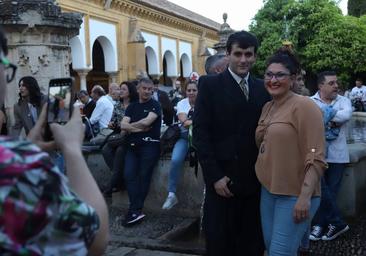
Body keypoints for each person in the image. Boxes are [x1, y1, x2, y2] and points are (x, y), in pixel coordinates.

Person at [0, 26, 108, 255]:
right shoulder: (19, 164)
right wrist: (72, 149)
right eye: (7, 71)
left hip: (43, 145)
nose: (18, 86)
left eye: (21, 84)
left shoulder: (40, 104)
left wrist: (24, 147)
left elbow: (48, 123)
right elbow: (95, 239)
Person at [193, 30, 271, 256]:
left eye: (249, 54)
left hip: (255, 180)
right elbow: (200, 134)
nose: (244, 60)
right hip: (222, 181)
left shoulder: (261, 87)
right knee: (220, 243)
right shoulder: (209, 85)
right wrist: (215, 176)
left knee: (252, 243)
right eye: (238, 54)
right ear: (228, 54)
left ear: (255, 56)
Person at [254, 48, 327, 255]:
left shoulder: (304, 106)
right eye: (269, 74)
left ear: (293, 79)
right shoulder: (268, 107)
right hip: (268, 191)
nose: (273, 80)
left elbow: (316, 155)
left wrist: (304, 197)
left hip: (295, 194)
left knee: (280, 252)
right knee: (272, 248)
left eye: (280, 75)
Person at [309, 71, 352, 241]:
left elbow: (346, 115)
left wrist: (323, 116)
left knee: (331, 192)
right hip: (317, 153)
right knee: (319, 190)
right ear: (321, 85)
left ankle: (322, 225)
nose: (336, 86)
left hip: (338, 155)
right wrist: (332, 116)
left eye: (337, 82)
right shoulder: (310, 102)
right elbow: (309, 121)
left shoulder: (344, 100)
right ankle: (329, 224)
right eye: (332, 83)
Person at [121, 78, 161, 226]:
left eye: (150, 89)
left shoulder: (155, 105)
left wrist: (130, 126)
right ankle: (135, 210)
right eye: (144, 88)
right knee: (129, 175)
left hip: (150, 146)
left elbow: (147, 122)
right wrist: (137, 127)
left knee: (144, 176)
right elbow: (122, 125)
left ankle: (135, 210)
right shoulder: (132, 107)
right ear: (138, 89)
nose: (147, 91)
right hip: (132, 146)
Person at [162, 80, 198, 210]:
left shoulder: (204, 103)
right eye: (189, 90)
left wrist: (193, 121)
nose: (191, 93)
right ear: (185, 91)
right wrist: (196, 120)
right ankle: (171, 194)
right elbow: (184, 121)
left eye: (194, 90)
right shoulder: (181, 103)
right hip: (184, 137)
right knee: (176, 159)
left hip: (200, 138)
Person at [102, 81, 138, 197]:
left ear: (130, 92)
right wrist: (112, 124)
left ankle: (111, 186)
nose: (120, 91)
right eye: (120, 89)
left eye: (123, 89)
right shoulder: (117, 104)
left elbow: (135, 123)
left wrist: (124, 127)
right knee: (105, 150)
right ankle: (119, 180)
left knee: (119, 152)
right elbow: (113, 120)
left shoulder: (135, 105)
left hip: (129, 136)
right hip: (118, 135)